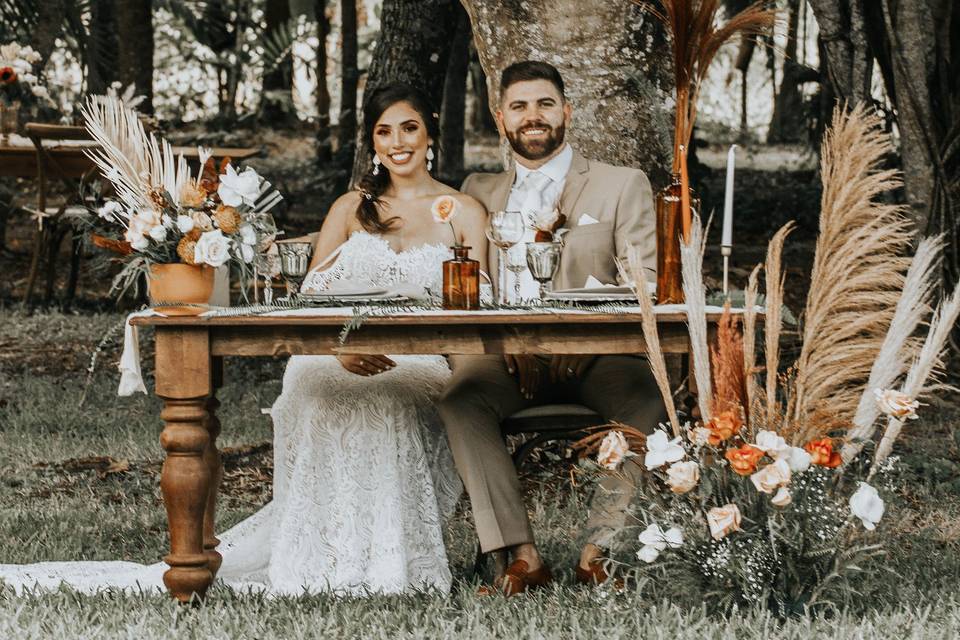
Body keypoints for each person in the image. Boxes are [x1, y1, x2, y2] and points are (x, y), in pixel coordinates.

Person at [0, 83, 488, 596]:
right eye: (383, 131)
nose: (397, 142)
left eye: (408, 127)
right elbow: (310, 299)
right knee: (315, 388)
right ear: (371, 142)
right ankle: (319, 556)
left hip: (421, 358)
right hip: (333, 352)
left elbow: (485, 309)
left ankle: (393, 560)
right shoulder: (350, 209)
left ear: (429, 130)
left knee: (392, 400)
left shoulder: (465, 211)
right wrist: (338, 349)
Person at [439, 60, 665, 594]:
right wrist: (506, 343)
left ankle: (600, 553)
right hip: (506, 361)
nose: (532, 116)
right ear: (500, 118)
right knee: (460, 399)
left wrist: (575, 338)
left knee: (648, 401)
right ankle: (521, 556)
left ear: (566, 111)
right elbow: (465, 285)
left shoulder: (621, 184)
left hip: (598, 359)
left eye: (544, 103)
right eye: (519, 106)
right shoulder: (477, 190)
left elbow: (645, 282)